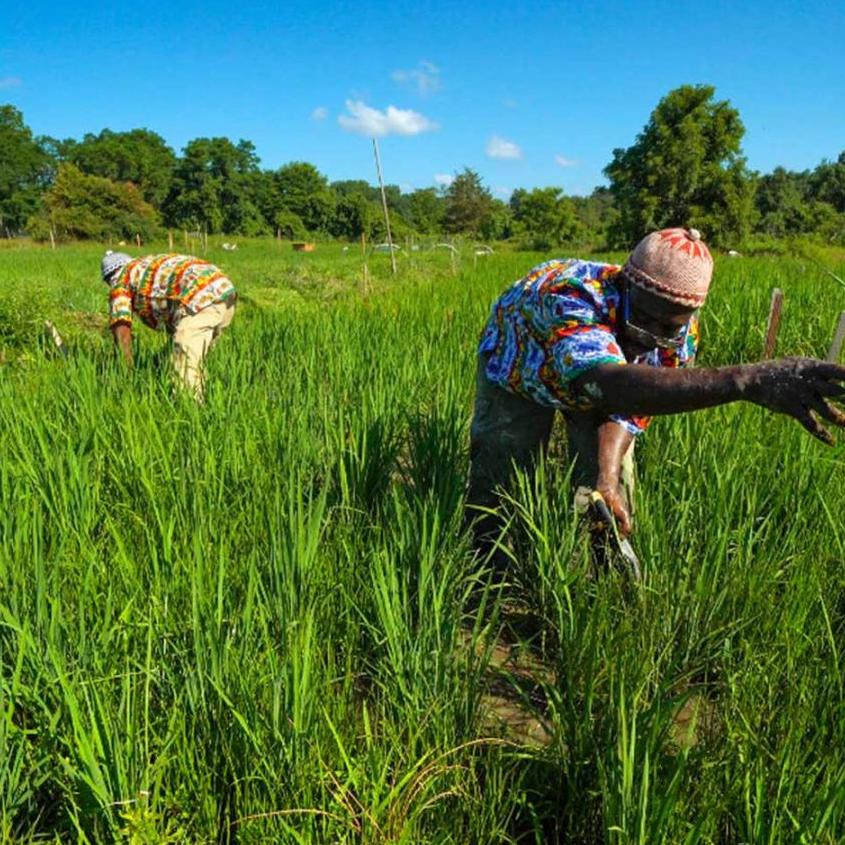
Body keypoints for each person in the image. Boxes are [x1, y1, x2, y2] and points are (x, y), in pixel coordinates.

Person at [466, 227, 845, 562]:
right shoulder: (573, 297)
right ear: (625, 285)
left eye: (669, 326)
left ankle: (594, 566)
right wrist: (746, 381)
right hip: (523, 365)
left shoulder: (680, 336)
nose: (650, 335)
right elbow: (607, 384)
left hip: (606, 379)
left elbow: (628, 408)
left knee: (613, 483)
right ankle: (486, 562)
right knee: (505, 461)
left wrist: (606, 477)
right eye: (643, 318)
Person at [101, 251, 237, 400]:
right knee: (180, 358)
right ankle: (205, 397)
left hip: (198, 297)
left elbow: (122, 329)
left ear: (109, 278)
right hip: (223, 290)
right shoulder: (145, 265)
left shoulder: (120, 281)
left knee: (184, 362)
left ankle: (189, 411)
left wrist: (126, 376)